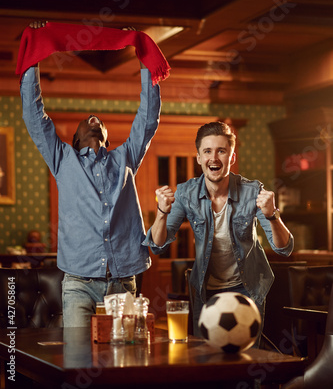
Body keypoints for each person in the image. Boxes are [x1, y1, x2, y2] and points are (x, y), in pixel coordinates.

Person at [20, 22, 161, 327]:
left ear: (107, 138)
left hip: (122, 283)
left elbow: (147, 119)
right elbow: (34, 115)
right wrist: (37, 53)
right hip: (79, 285)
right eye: (88, 119)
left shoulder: (125, 157)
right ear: (75, 137)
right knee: (79, 361)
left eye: (100, 121)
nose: (94, 119)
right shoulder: (62, 159)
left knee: (123, 363)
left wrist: (145, 59)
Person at [144, 121, 294, 339]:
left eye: (221, 151)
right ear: (198, 158)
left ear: (231, 158)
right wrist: (161, 213)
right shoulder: (186, 193)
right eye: (207, 151)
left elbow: (284, 248)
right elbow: (157, 246)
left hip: (247, 287)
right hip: (205, 290)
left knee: (247, 356)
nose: (213, 158)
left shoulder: (252, 191)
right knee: (205, 356)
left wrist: (272, 215)